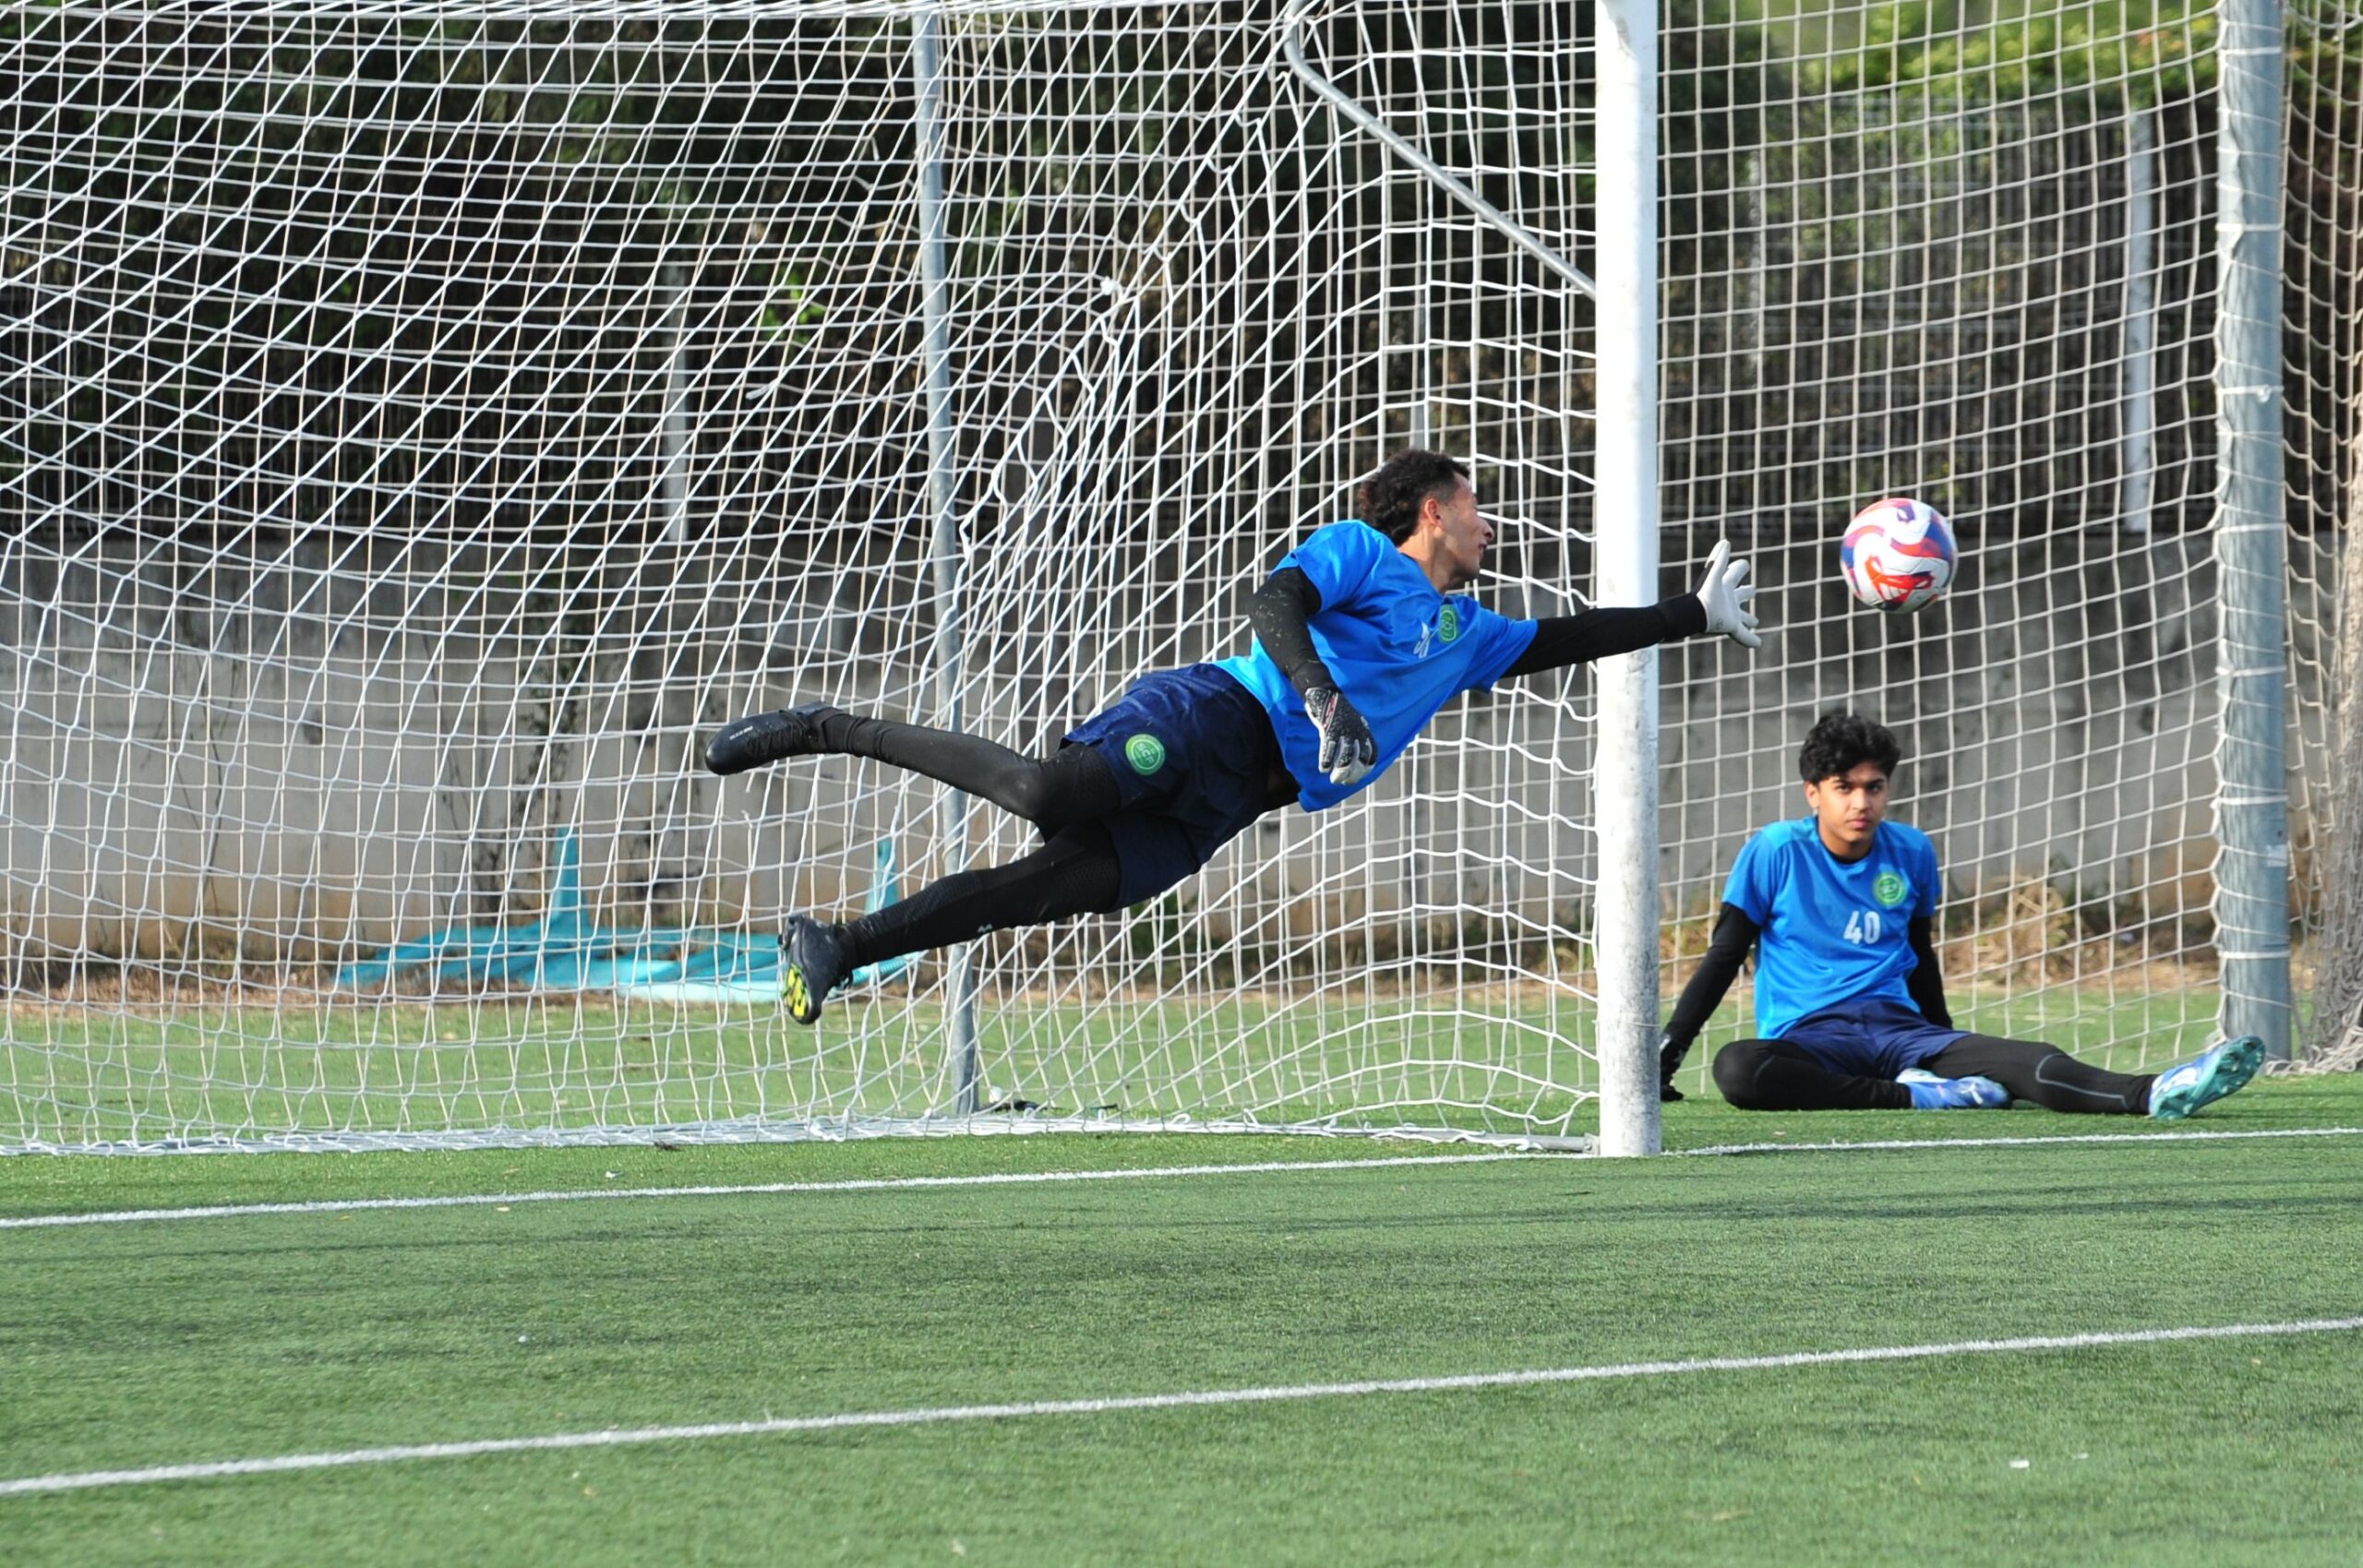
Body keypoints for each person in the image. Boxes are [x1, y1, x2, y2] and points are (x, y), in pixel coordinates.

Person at [705, 449, 1762, 1023]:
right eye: (1476, 506)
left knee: (1041, 893)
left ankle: (838, 946)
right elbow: (1272, 602)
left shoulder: (1468, 633)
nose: (1491, 525)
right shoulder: (1363, 552)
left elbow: (1567, 637)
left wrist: (1692, 614)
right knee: (1044, 795)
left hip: (1233, 800)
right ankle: (826, 723)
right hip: (1209, 714)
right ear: (1434, 511)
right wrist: (1321, 696)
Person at [1656, 711, 2263, 1119]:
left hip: (1899, 1029)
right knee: (1741, 1068)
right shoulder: (1776, 850)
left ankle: (2155, 1091)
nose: (1861, 802)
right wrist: (1670, 1050)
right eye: (1844, 787)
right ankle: (1913, 1097)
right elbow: (1724, 955)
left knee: (2026, 1058)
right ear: (1813, 792)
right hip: (1813, 1038)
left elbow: (1919, 956)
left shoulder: (1912, 851)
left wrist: (1944, 1043)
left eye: (1874, 786)